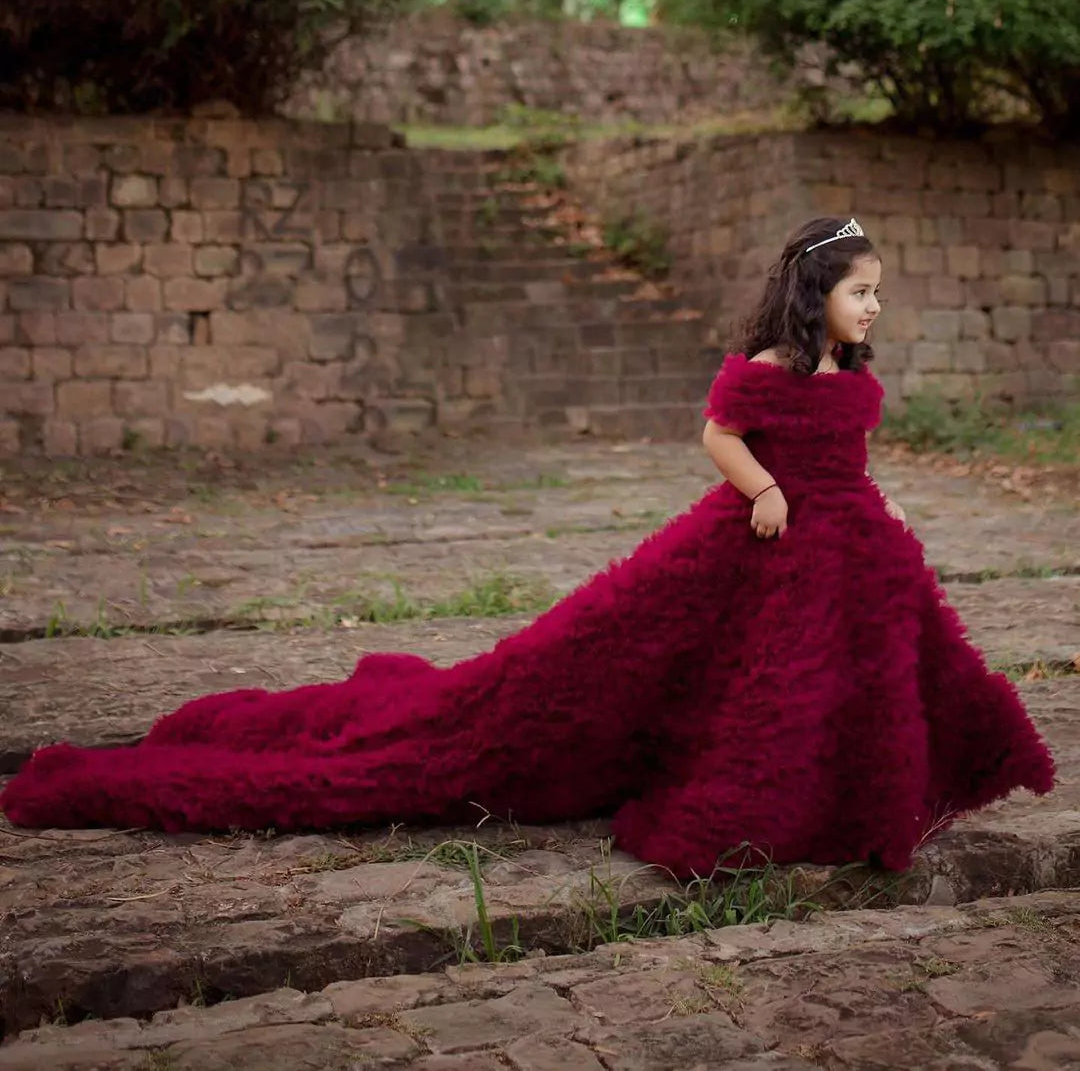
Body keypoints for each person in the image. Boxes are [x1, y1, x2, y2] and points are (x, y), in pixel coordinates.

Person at [1, 216, 1055, 877]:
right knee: (704, 670)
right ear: (811, 292)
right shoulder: (767, 368)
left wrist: (891, 511)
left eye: (877, 292)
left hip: (853, 553)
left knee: (855, 674)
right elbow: (716, 434)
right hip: (764, 541)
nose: (872, 306)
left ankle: (850, 797)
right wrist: (767, 488)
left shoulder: (854, 381)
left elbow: (854, 462)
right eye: (859, 288)